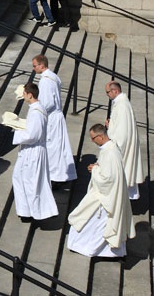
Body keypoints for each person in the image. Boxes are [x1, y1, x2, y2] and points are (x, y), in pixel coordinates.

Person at [67, 124, 135, 257]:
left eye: (93, 138)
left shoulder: (110, 152)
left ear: (101, 136)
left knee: (94, 224)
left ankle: (89, 248)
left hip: (106, 198)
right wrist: (98, 166)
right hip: (106, 195)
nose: (92, 141)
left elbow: (108, 179)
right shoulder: (109, 149)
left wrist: (95, 170)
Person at [12, 83, 58, 221]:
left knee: (31, 182)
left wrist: (17, 132)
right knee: (19, 178)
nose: (23, 96)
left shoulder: (37, 111)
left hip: (33, 152)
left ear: (30, 94)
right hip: (31, 151)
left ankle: (35, 212)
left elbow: (33, 135)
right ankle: (25, 210)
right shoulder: (36, 108)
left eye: (24, 94)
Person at [32, 54, 77, 183]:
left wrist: (35, 105)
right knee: (56, 146)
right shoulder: (53, 76)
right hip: (56, 116)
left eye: (35, 66)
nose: (34, 69)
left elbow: (48, 102)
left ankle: (54, 177)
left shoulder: (46, 80)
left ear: (42, 65)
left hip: (51, 118)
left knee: (52, 148)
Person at [105, 81, 144, 200]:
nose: (107, 95)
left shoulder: (122, 105)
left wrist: (113, 144)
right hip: (121, 143)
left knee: (120, 177)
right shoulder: (121, 103)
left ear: (115, 91)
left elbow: (122, 133)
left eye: (108, 92)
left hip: (121, 147)